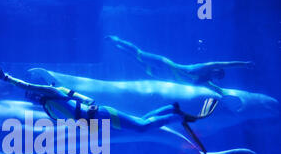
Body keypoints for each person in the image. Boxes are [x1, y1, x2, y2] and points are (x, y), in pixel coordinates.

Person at [0, 66, 195, 133]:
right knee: (140, 122)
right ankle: (171, 109)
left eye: (31, 94)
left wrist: (7, 78)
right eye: (29, 97)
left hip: (100, 115)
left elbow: (26, 85)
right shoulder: (47, 106)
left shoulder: (50, 92)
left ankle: (179, 117)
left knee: (141, 126)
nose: (30, 97)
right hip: (97, 121)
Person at [105, 35, 253, 98]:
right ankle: (117, 40)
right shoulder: (204, 68)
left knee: (133, 59)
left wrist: (228, 96)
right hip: (164, 64)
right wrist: (243, 64)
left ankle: (116, 47)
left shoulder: (204, 82)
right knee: (139, 54)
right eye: (217, 73)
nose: (215, 77)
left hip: (159, 74)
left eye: (217, 77)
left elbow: (218, 90)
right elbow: (224, 64)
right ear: (214, 71)